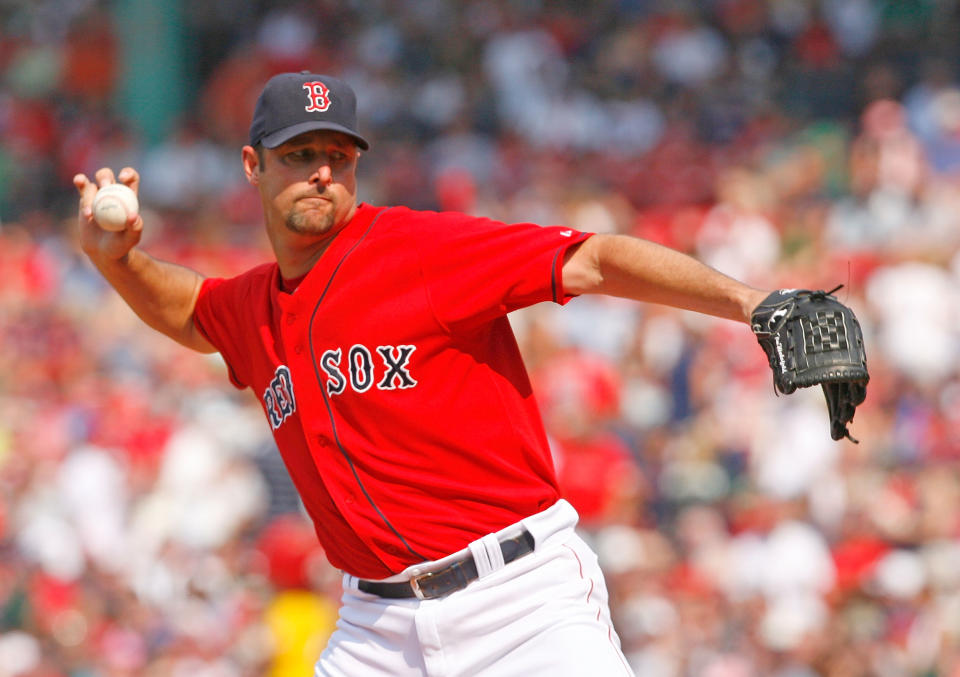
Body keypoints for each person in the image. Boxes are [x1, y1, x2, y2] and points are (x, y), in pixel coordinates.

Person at [74, 72, 770, 676]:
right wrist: (119, 261)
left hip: (519, 600)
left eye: (337, 155)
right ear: (253, 165)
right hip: (377, 628)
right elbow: (192, 313)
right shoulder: (253, 306)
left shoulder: (418, 249)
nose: (321, 169)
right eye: (300, 153)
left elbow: (590, 259)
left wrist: (751, 303)